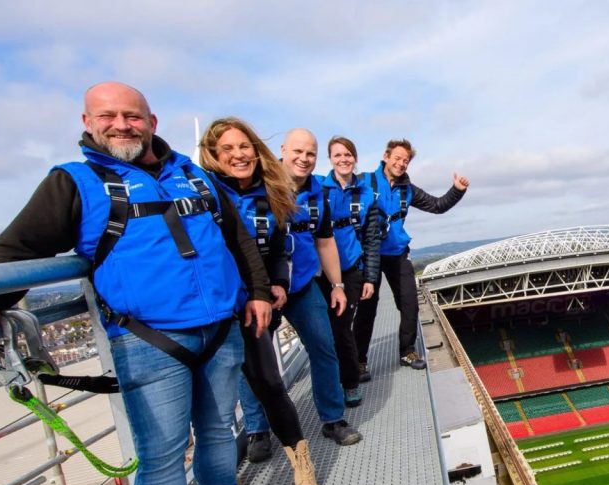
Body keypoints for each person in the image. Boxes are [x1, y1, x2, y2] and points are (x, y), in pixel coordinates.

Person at [0, 82, 282, 485]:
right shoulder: (73, 183)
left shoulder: (194, 176)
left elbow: (238, 237)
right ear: (87, 120)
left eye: (132, 115)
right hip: (148, 342)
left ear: (152, 119)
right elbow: (16, 248)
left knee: (221, 435)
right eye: (109, 116)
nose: (121, 124)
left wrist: (258, 291)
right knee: (162, 460)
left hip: (221, 330)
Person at [199, 119, 360, 465]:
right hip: (248, 293)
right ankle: (258, 430)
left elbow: (324, 240)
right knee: (253, 362)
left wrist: (336, 285)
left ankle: (333, 419)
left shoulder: (318, 195)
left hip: (298, 284)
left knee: (324, 347)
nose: (304, 158)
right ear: (282, 151)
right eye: (298, 151)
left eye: (311, 154)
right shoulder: (252, 188)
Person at [352, 139, 469, 376]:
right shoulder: (365, 181)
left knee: (410, 304)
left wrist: (457, 190)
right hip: (370, 254)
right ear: (386, 157)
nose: (401, 163)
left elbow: (437, 205)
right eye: (397, 158)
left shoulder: (407, 189)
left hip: (397, 253)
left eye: (405, 160)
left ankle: (407, 351)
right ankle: (358, 361)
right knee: (367, 309)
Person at [319, 135, 385, 402]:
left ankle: (348, 382)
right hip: (320, 271)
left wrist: (370, 277)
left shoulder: (367, 194)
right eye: (338, 155)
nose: (343, 159)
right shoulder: (319, 190)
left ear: (355, 158)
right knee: (326, 331)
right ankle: (332, 381)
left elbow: (371, 239)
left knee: (342, 327)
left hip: (351, 269)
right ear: (330, 159)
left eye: (348, 155)